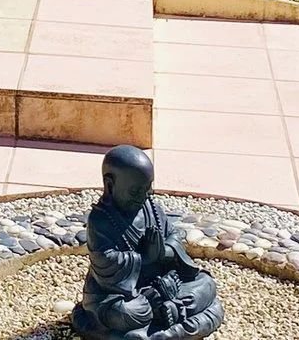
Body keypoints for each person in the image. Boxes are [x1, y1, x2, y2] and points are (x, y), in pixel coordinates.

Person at [71, 145, 225, 340]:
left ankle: (172, 308)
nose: (145, 195)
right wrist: (144, 258)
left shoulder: (151, 208)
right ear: (110, 185)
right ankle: (164, 309)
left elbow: (173, 237)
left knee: (206, 283)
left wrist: (163, 253)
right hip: (120, 295)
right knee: (124, 312)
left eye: (148, 187)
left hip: (164, 280)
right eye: (135, 191)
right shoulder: (101, 220)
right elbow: (104, 260)